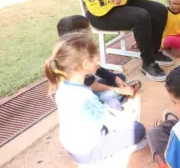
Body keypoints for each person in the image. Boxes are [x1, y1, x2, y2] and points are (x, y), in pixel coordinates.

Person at [44, 32, 147, 164]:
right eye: (96, 57)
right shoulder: (84, 96)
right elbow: (112, 122)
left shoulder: (63, 85)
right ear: (86, 64)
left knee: (113, 103)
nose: (98, 60)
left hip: (74, 144)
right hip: (88, 151)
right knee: (137, 129)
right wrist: (128, 120)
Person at [56, 15, 141, 110]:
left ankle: (120, 94)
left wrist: (114, 78)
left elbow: (97, 69)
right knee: (112, 98)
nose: (91, 31)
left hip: (90, 88)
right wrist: (119, 90)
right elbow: (94, 86)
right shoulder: (77, 60)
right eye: (89, 28)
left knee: (120, 77)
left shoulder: (72, 51)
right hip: (88, 97)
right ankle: (119, 99)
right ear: (81, 35)